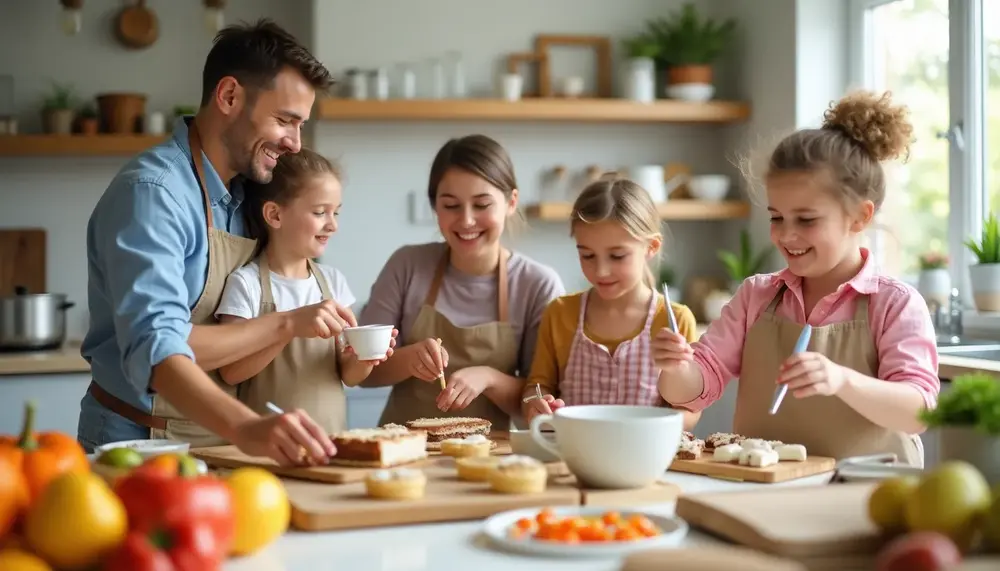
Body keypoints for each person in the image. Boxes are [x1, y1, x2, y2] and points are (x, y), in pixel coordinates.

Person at [77, 19, 349, 466]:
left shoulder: (250, 194)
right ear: (228, 97)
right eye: (285, 120)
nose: (295, 144)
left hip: (221, 442)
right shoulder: (154, 193)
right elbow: (158, 348)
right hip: (141, 443)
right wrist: (283, 327)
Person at [654, 90, 939, 466]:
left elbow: (918, 412)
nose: (786, 235)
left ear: (860, 217)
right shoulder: (756, 296)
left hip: (868, 499)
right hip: (765, 493)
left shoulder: (895, 304)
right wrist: (676, 368)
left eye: (806, 220)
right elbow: (692, 394)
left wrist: (842, 380)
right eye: (776, 217)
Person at [360, 134, 565, 429]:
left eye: (481, 205)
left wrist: (490, 379)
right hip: (402, 454)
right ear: (435, 207)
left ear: (511, 202)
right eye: (451, 205)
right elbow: (363, 375)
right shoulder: (406, 265)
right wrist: (408, 359)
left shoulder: (538, 284)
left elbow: (538, 398)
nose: (467, 220)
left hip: (490, 456)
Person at [214, 149, 397, 435]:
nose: (332, 224)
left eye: (335, 212)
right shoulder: (246, 284)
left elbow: (348, 375)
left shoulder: (333, 283)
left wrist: (365, 358)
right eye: (319, 212)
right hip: (266, 449)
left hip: (331, 442)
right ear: (275, 215)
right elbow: (231, 371)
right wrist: (287, 329)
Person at [521, 177, 702, 431]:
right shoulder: (560, 313)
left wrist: (648, 424)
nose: (601, 271)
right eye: (587, 255)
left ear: (651, 247)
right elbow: (536, 387)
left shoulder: (676, 320)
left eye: (617, 256)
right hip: (574, 458)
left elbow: (689, 410)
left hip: (646, 459)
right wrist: (536, 404)